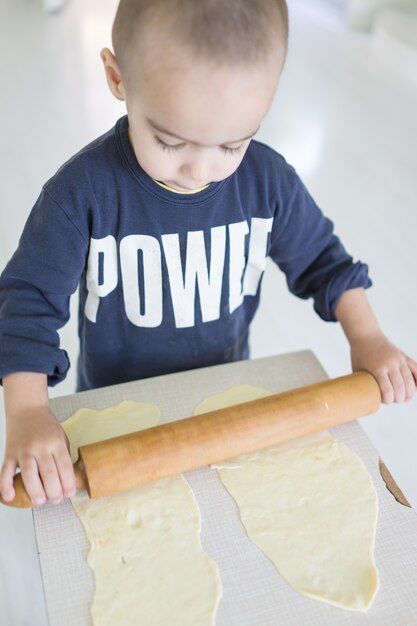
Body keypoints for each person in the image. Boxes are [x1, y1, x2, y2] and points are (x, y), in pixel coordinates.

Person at [0, 0, 415, 507]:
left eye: (232, 145)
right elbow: (26, 304)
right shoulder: (81, 195)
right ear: (117, 77)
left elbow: (323, 261)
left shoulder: (268, 182)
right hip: (115, 409)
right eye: (170, 142)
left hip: (222, 395)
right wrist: (26, 411)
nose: (200, 171)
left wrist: (367, 334)